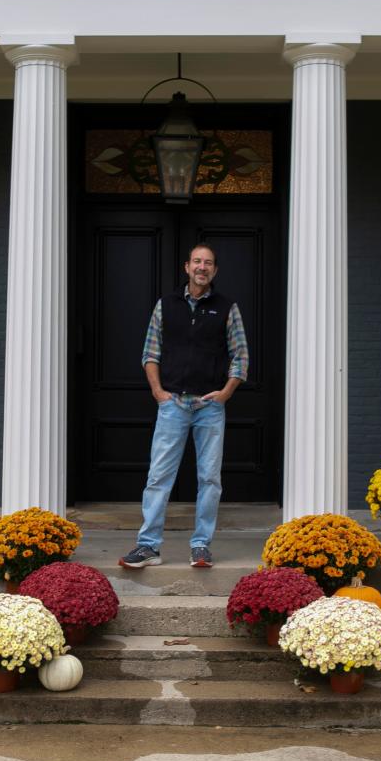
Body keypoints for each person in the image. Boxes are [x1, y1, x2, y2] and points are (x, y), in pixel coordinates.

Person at [119, 243, 249, 569]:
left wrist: (226, 392)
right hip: (173, 404)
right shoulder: (166, 305)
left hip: (209, 407)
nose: (202, 267)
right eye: (197, 262)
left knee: (209, 479)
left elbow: (241, 356)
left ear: (215, 270)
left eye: (208, 263)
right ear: (186, 267)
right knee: (159, 477)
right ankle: (148, 546)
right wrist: (158, 391)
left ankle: (201, 545)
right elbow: (151, 353)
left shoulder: (226, 308)